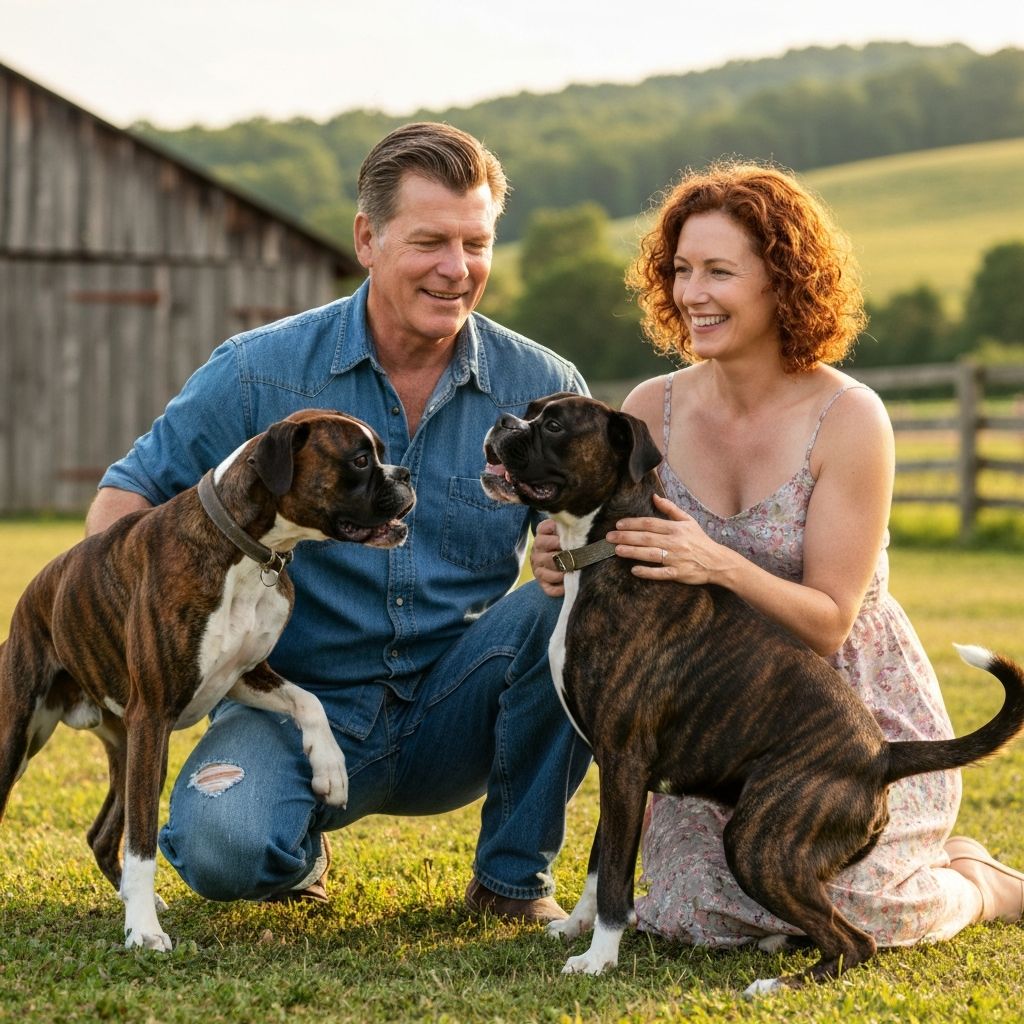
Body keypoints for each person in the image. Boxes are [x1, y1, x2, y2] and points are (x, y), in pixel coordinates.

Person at [86, 122, 592, 922]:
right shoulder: (258, 371)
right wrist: (135, 634)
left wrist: (569, 548)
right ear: (367, 239)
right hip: (295, 702)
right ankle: (294, 847)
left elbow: (591, 523)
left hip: (459, 703)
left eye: (476, 243)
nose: (457, 268)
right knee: (223, 848)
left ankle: (511, 879)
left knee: (577, 608)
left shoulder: (542, 384)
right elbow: (128, 494)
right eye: (429, 241)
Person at [531, 160, 1024, 946]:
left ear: (783, 281)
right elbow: (614, 550)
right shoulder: (651, 407)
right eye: (681, 269)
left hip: (846, 717)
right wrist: (562, 554)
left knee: (860, 909)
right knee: (700, 915)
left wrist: (717, 563)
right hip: (712, 723)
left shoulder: (849, 418)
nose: (693, 293)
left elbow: (829, 623)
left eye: (719, 271)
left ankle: (980, 881)